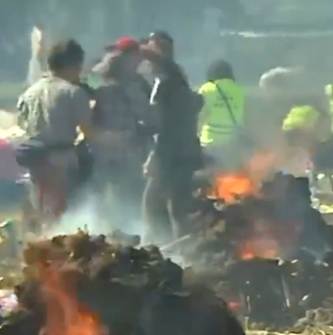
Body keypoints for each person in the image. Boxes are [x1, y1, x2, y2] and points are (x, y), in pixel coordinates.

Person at [17, 39, 109, 227]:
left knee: (42, 210)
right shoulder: (72, 92)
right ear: (73, 65)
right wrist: (116, 139)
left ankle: (41, 245)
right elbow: (89, 133)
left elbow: (22, 124)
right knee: (62, 212)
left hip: (34, 159)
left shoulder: (29, 93)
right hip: (61, 160)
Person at [141, 31, 204, 244]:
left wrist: (153, 156)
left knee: (154, 205)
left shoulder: (165, 83)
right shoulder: (178, 78)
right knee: (177, 206)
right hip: (185, 152)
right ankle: (180, 249)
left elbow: (163, 126)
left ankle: (166, 249)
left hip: (170, 154)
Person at [91, 37, 153, 228]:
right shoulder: (135, 84)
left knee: (108, 196)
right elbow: (147, 114)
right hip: (128, 149)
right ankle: (126, 231)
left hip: (104, 148)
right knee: (130, 196)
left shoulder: (97, 81)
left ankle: (110, 229)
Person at [198, 59, 246, 168]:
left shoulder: (206, 89)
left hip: (209, 141)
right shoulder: (239, 90)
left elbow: (200, 115)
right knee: (229, 174)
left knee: (210, 175)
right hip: (232, 141)